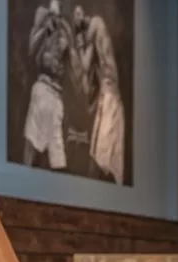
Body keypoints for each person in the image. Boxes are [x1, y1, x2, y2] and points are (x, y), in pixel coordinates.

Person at [72, 5, 126, 185]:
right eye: (76, 16)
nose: (79, 16)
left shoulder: (96, 23)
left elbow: (85, 66)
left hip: (111, 98)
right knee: (99, 155)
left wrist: (79, 42)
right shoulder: (92, 39)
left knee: (104, 156)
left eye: (79, 13)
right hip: (108, 97)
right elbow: (86, 80)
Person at [22, 0, 72, 170]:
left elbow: (71, 63)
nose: (55, 18)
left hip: (56, 98)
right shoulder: (42, 22)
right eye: (53, 15)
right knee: (31, 144)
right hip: (42, 89)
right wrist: (45, 30)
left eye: (58, 16)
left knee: (57, 158)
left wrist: (66, 40)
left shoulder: (64, 32)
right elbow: (32, 50)